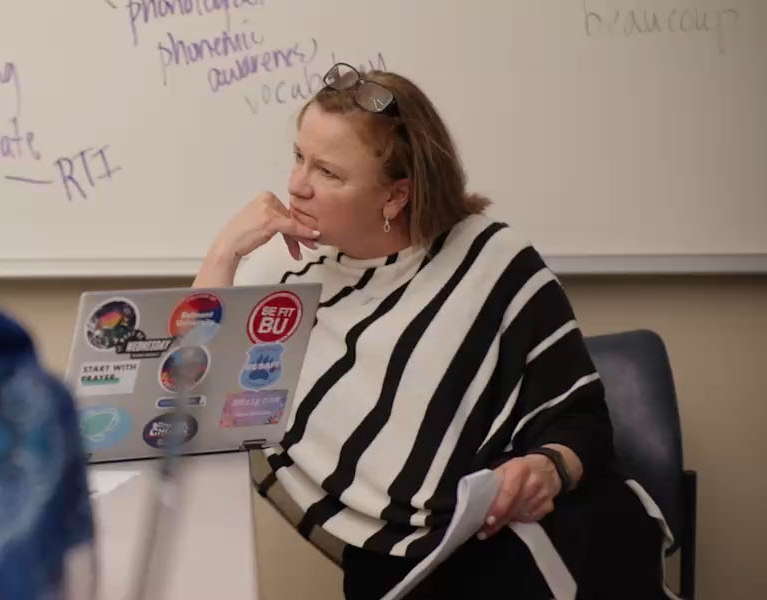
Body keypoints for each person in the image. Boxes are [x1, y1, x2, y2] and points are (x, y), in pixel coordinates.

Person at [196, 64, 670, 598]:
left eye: (327, 172)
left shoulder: (493, 262)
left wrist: (547, 468)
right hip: (398, 568)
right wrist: (223, 255)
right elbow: (184, 407)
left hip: (529, 543)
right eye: (298, 157)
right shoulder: (278, 280)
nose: (295, 185)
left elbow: (581, 419)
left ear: (395, 197)